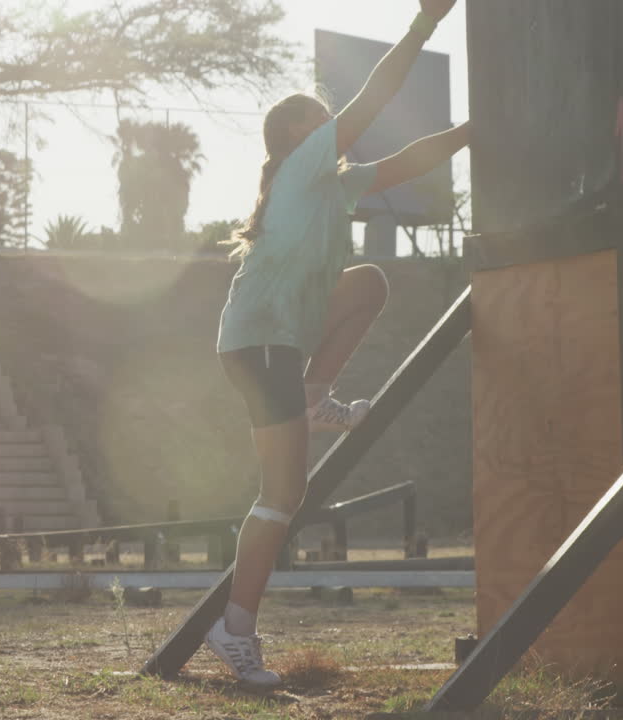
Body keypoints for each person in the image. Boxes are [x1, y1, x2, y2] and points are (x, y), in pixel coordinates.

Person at [205, 0, 471, 688]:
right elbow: (373, 100)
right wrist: (423, 24)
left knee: (367, 285)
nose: (331, 122)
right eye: (318, 116)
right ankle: (234, 630)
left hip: (281, 341)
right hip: (261, 341)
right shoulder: (301, 167)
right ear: (296, 135)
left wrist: (472, 132)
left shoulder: (333, 183)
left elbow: (406, 161)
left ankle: (314, 395)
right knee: (282, 493)